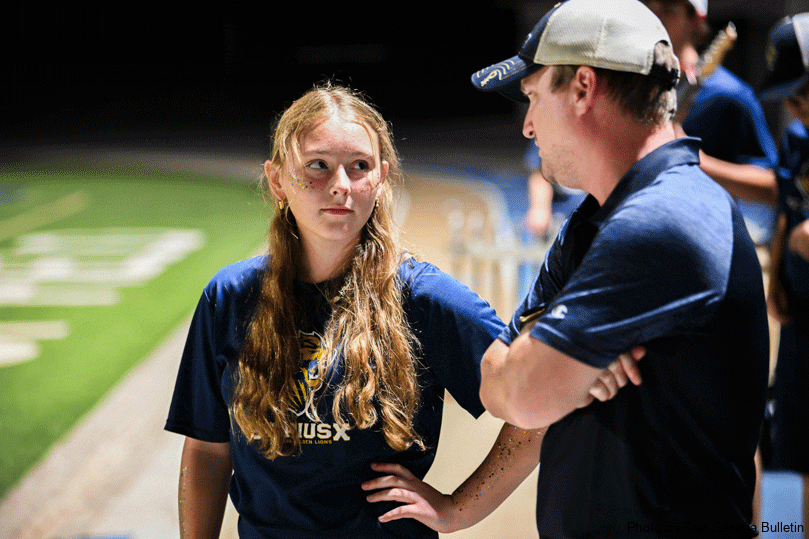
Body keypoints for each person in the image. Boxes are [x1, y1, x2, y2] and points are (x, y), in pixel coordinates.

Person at [164, 83, 640, 538]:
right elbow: (207, 448)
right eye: (317, 165)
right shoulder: (229, 298)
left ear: (382, 178)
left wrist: (457, 509)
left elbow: (533, 406)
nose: (341, 186)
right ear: (277, 180)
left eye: (359, 166)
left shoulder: (423, 298)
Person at [471, 0, 769, 537]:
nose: (528, 126)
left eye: (535, 96)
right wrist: (561, 366)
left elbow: (516, 392)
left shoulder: (660, 221)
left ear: (584, 88)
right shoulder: (595, 220)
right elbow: (503, 390)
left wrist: (545, 366)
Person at [643, 0, 779, 242]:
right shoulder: (633, 86)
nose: (653, 18)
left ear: (696, 20)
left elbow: (773, 186)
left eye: (667, 10)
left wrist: (700, 163)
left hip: (703, 240)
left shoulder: (729, 95)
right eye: (647, 7)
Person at [759, 13, 809, 537]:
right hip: (799, 325)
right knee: (796, 456)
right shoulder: (799, 141)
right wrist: (777, 273)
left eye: (802, 95)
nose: (794, 110)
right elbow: (787, 209)